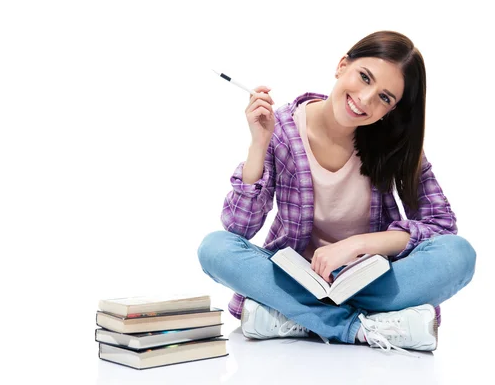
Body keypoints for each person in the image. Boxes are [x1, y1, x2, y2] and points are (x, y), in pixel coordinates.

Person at [197, 30, 476, 352]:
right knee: (215, 248)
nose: (366, 99)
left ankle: (298, 317)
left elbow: (441, 227)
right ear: (342, 65)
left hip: (371, 279)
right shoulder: (282, 129)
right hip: (297, 278)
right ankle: (358, 327)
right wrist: (259, 143)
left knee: (459, 254)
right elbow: (238, 228)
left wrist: (358, 245)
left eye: (385, 98)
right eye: (364, 77)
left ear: (392, 109)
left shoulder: (395, 145)